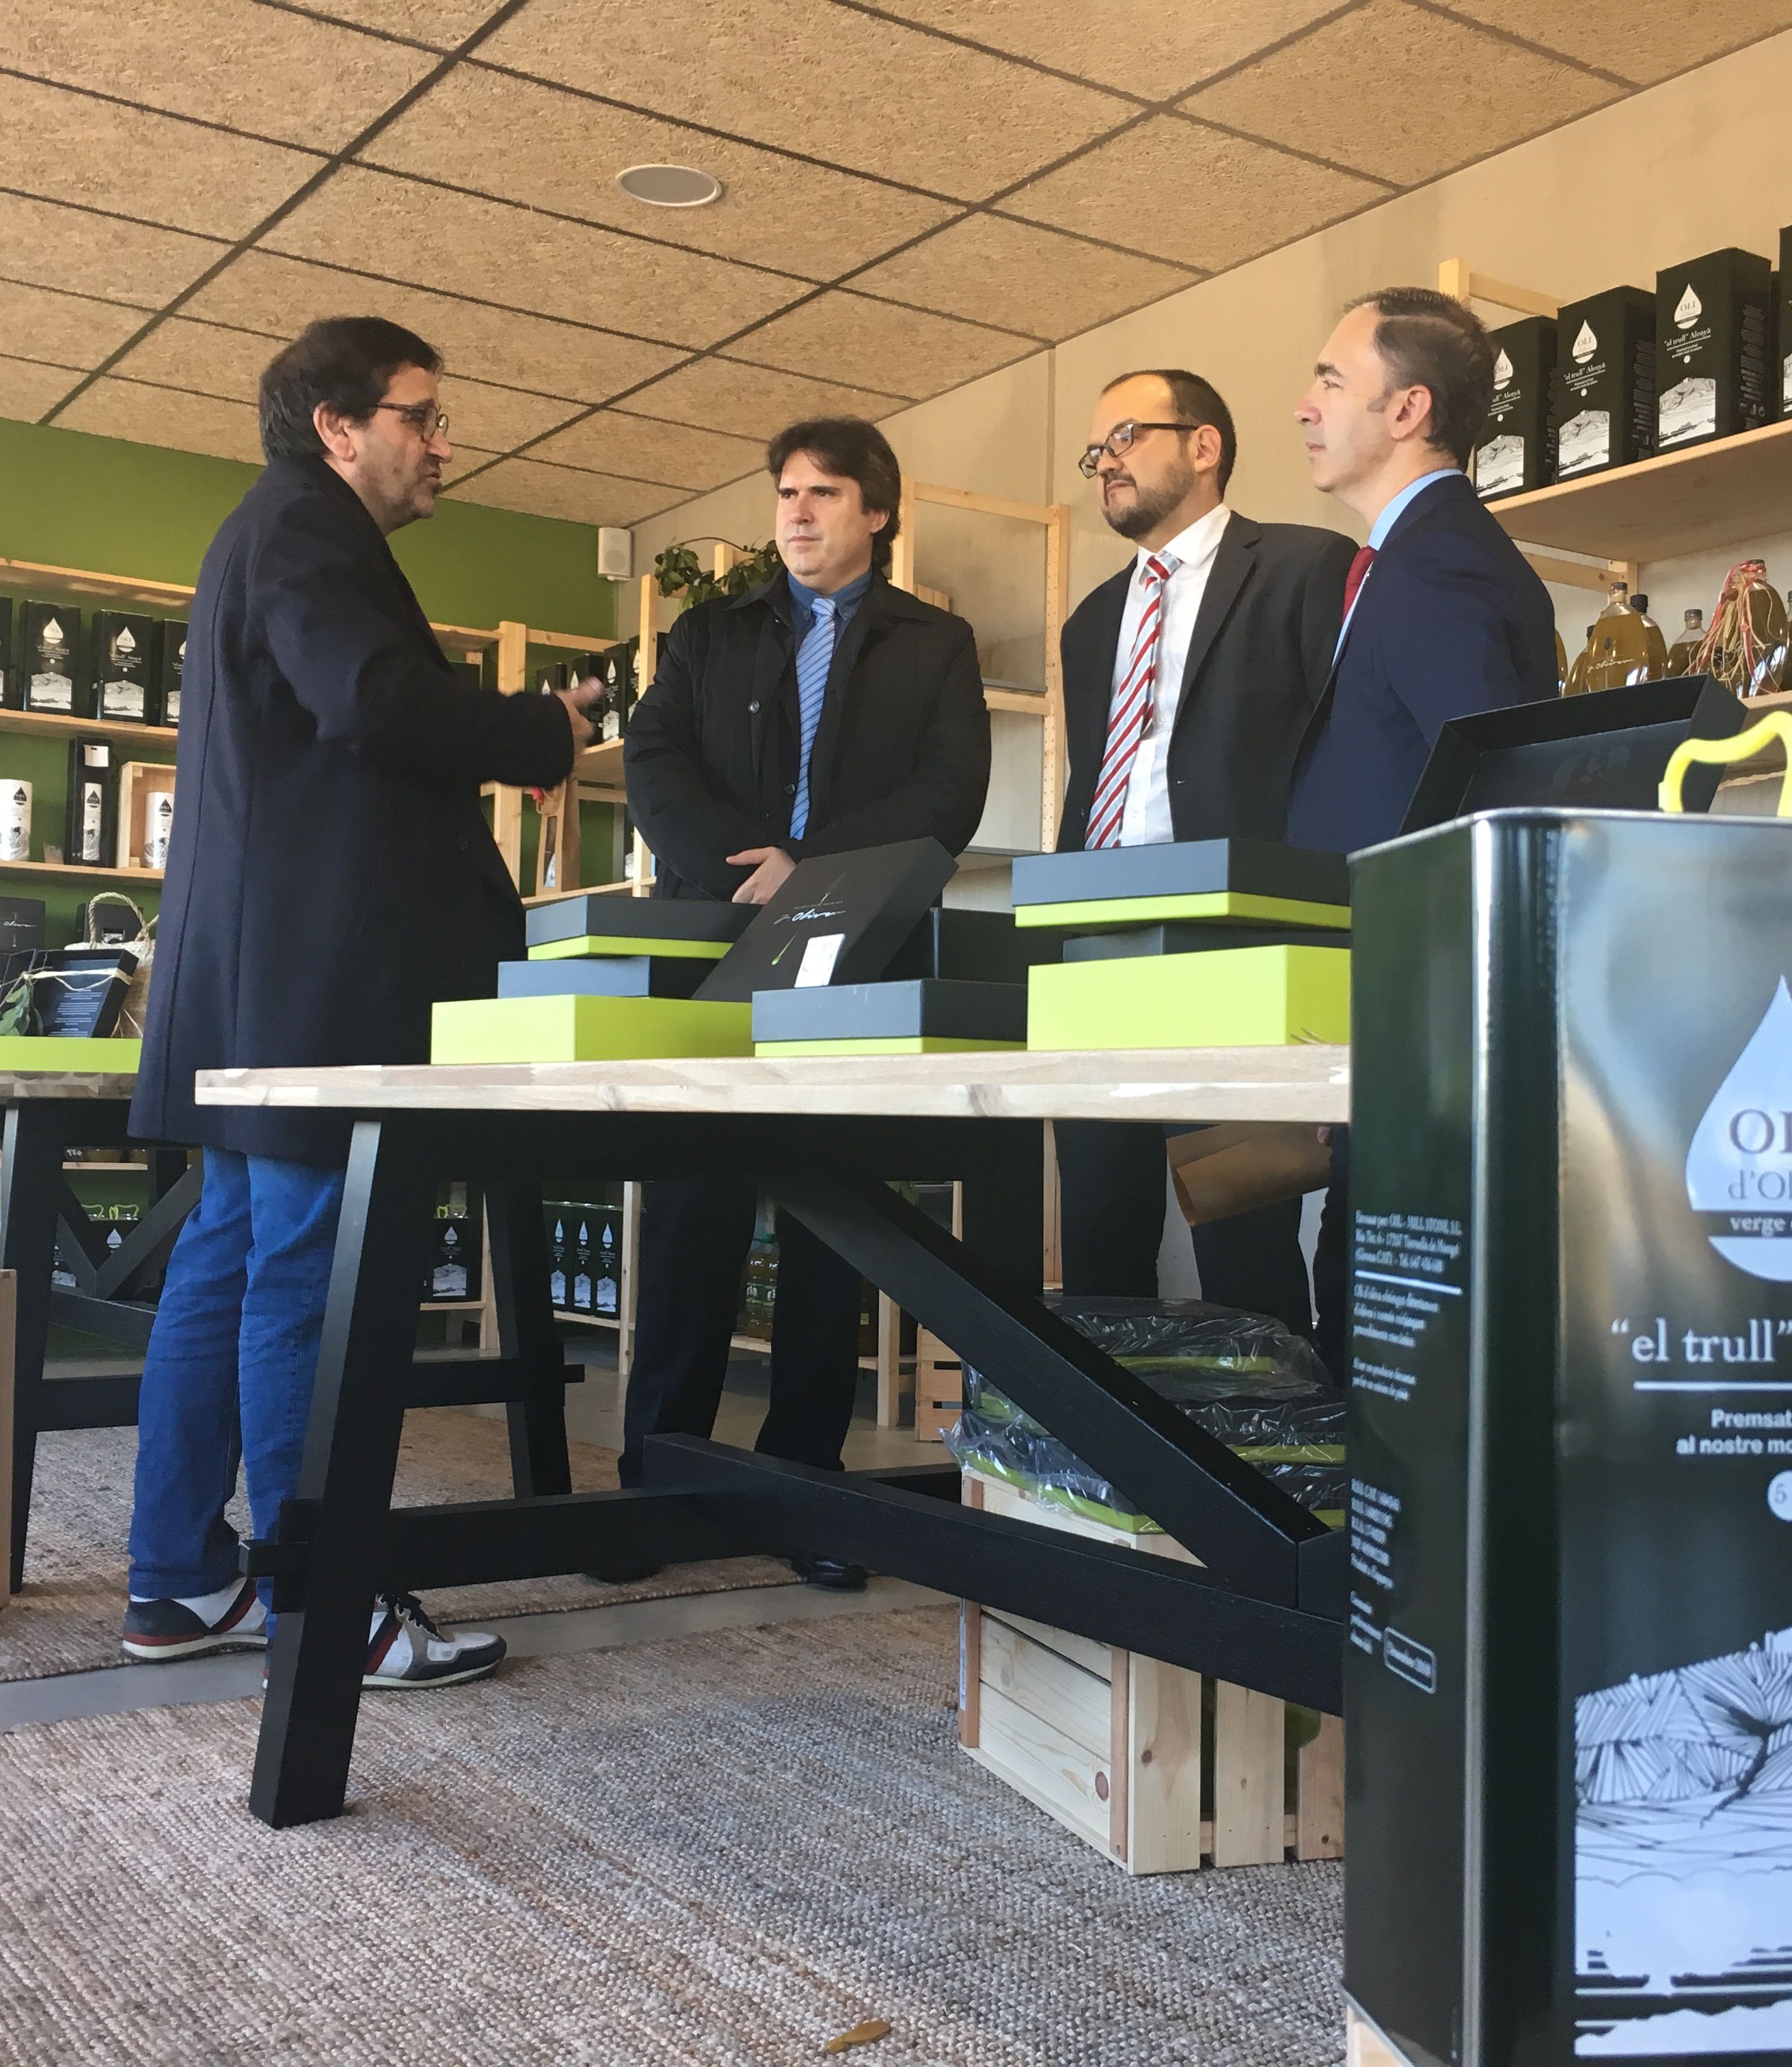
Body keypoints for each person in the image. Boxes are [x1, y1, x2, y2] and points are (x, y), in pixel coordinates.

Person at [123, 316, 599, 1683]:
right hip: (315, 988)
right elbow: (376, 702)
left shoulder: (270, 531)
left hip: (260, 982)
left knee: (227, 1263)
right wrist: (538, 729)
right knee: (305, 1281)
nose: (443, 443)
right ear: (339, 427)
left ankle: (178, 1582)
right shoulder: (308, 530)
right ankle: (328, 1608)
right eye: (421, 416)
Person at [617, 416, 990, 1586]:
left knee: (832, 1228)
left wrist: (810, 871)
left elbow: (951, 793)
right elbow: (653, 758)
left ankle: (806, 1493)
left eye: (824, 493)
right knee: (692, 1220)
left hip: (859, 954)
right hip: (713, 949)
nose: (798, 511)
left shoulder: (936, 644)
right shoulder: (708, 632)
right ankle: (658, 1486)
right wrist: (746, 867)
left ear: (877, 512)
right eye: (787, 492)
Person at [1284, 285, 1558, 1369]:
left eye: (1330, 379)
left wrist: (1393, 1024)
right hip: (1394, 1017)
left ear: (1408, 411)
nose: (1304, 405)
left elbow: (1488, 801)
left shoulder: (1440, 564)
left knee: (1383, 1333)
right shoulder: (1413, 557)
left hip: (1424, 1026)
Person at [1052, 369, 1354, 1338]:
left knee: (1241, 1231)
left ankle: (1275, 1435)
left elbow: (1341, 768)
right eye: (1096, 450)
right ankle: (1105, 1434)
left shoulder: (1307, 567)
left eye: (1126, 437)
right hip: (1098, 945)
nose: (1106, 463)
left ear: (1205, 445)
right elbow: (1092, 778)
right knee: (1098, 1230)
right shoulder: (1091, 620)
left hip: (1236, 947)